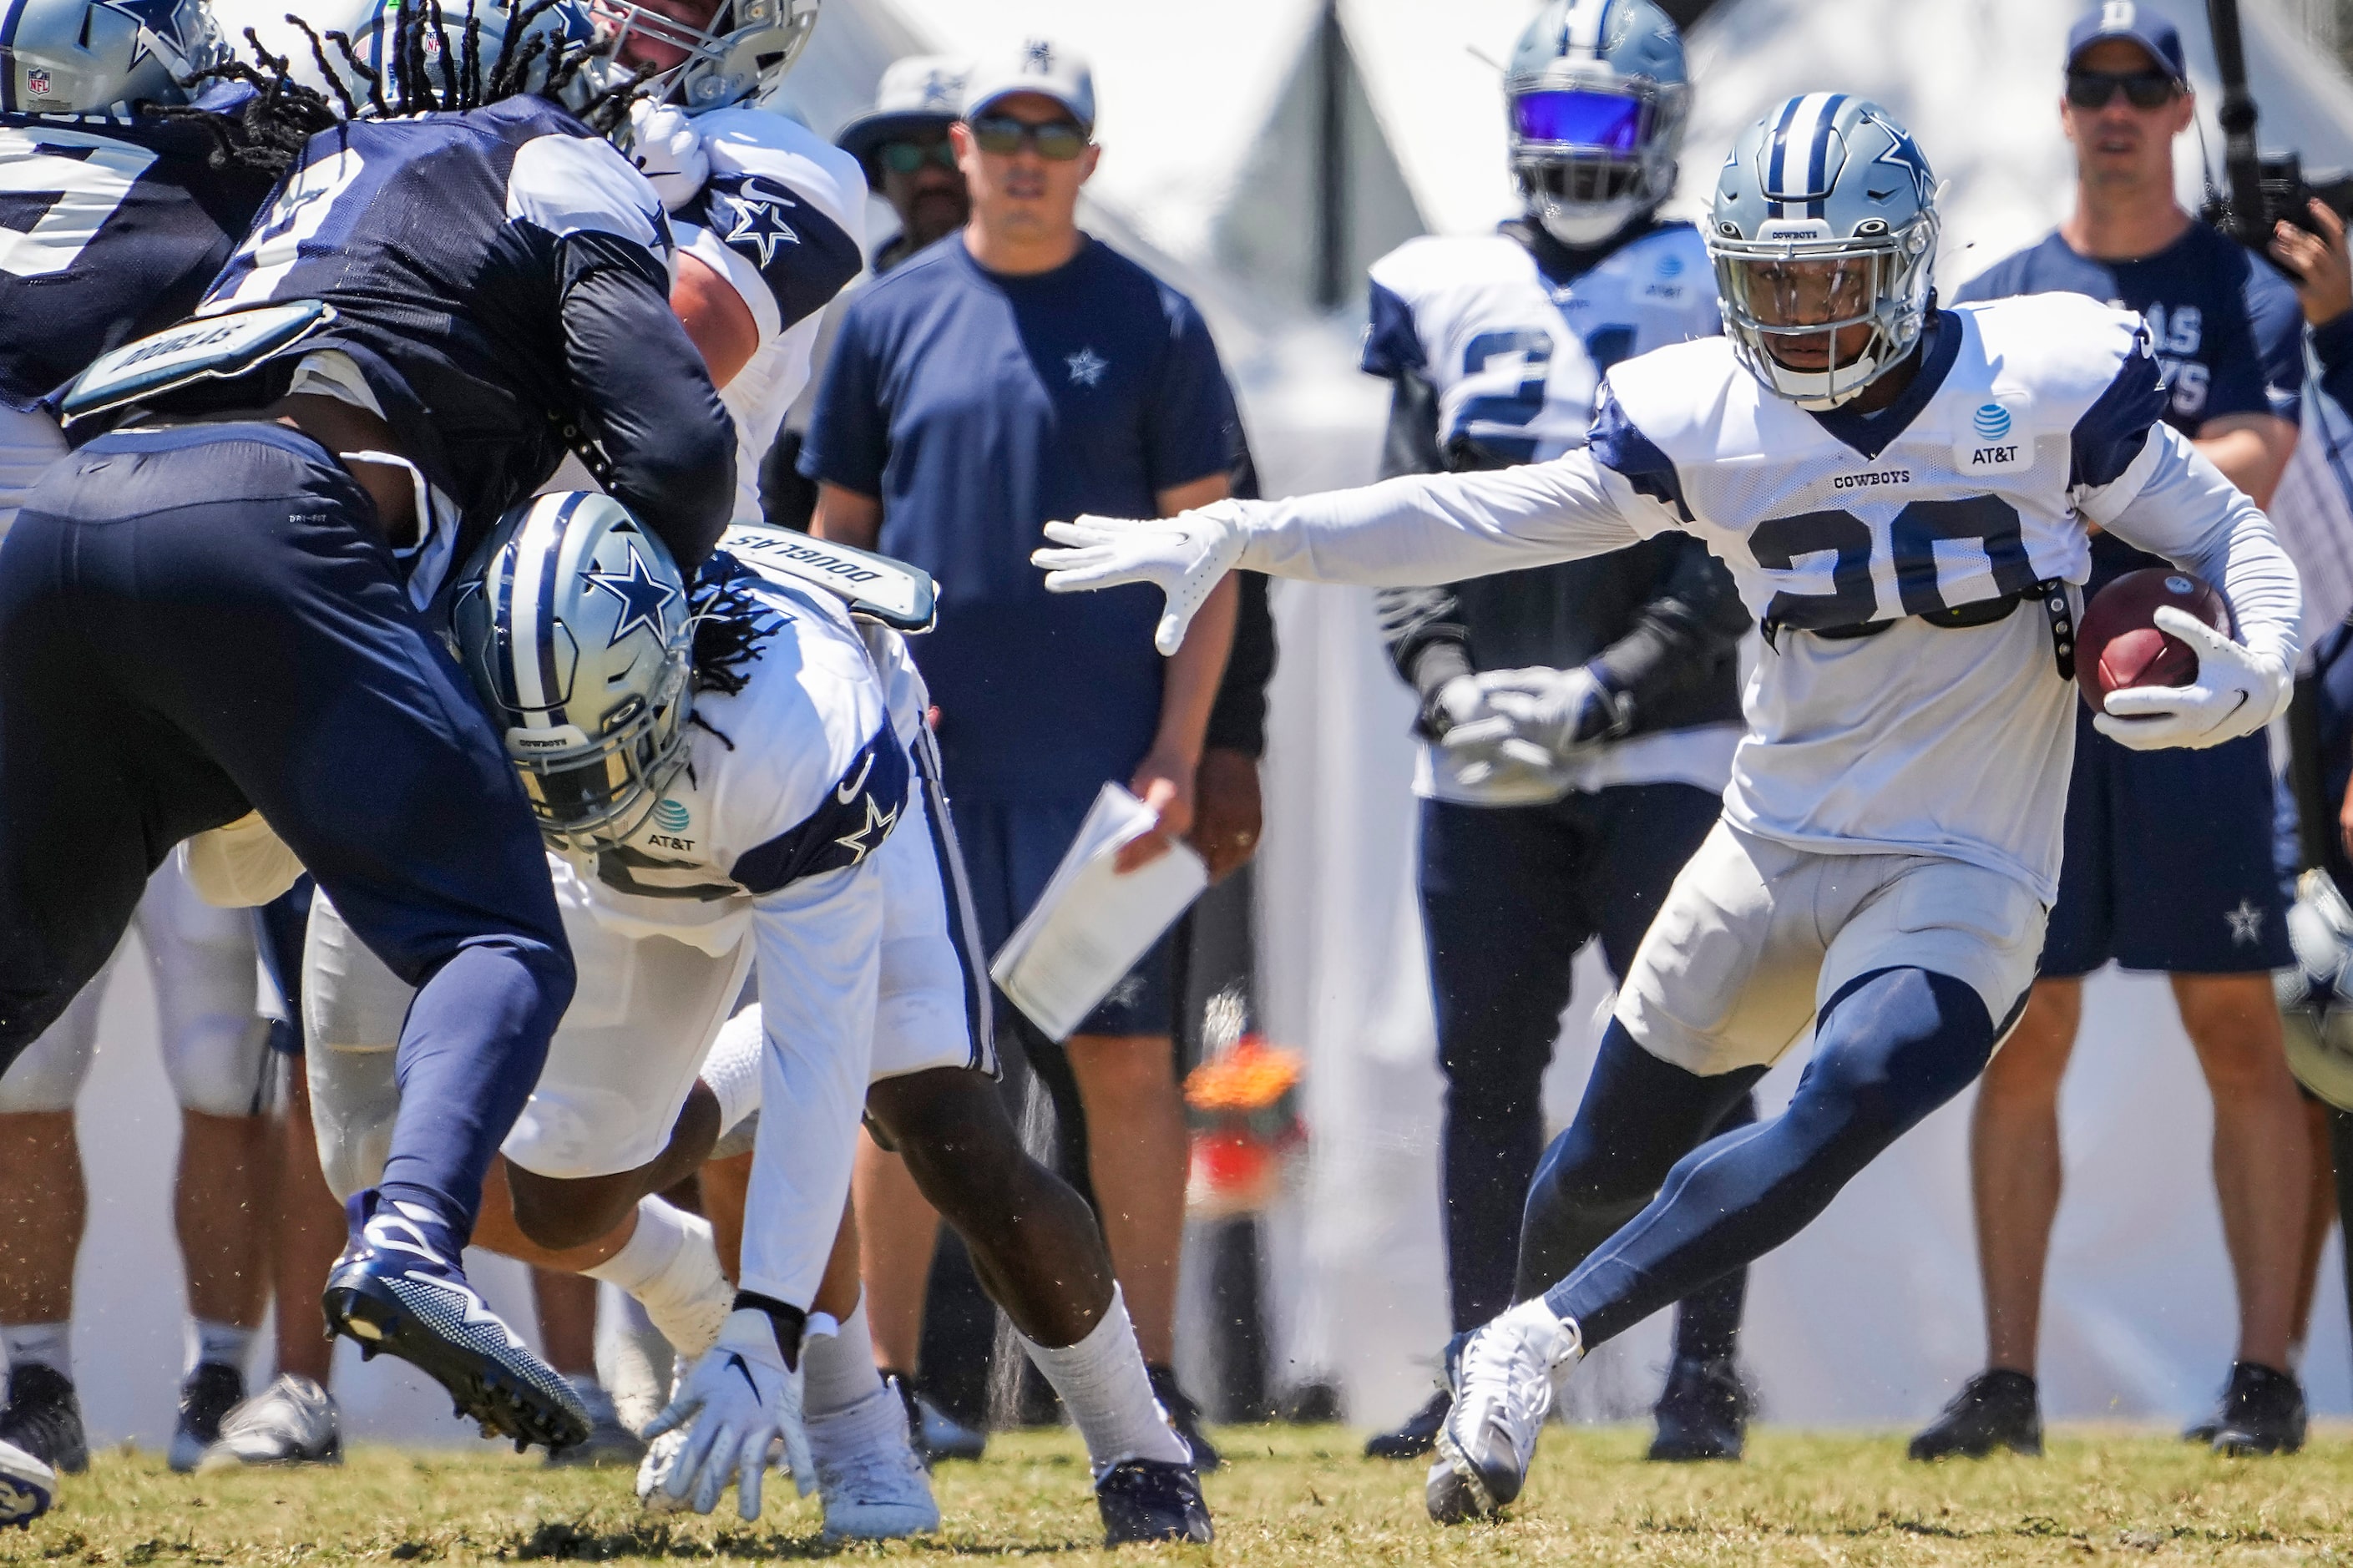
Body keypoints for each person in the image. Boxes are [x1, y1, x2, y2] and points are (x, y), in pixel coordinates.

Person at [1033, 92, 2303, 1525]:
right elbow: (1479, 509)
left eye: (1833, 274)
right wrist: (1248, 533)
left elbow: (2232, 536)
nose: (1805, 310)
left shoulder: (2049, 376)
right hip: (1768, 847)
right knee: (1594, 1168)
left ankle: (1530, 1338)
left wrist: (2250, 679)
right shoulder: (1705, 409)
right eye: (1772, 276)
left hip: (1963, 855)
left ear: (1908, 263)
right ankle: (1498, 1379)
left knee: (1862, 1088)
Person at [0, 11, 740, 1452]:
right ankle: (408, 1240)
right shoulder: (558, 157)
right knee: (497, 933)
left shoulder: (319, 163)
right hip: (269, 529)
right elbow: (676, 446)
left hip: (69, 527)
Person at [802, 38, 1241, 1468]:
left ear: (1091, 161)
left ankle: (1152, 1380)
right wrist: (839, 719)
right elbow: (834, 546)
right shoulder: (885, 318)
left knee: (1124, 1067)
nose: (1028, 157)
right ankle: (890, 1385)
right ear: (967, 147)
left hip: (1102, 773)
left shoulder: (1158, 319)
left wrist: (1184, 749)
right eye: (1004, 131)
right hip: (921, 778)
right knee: (906, 1076)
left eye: (1056, 135)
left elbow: (1215, 558)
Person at [1354, 0, 1755, 1466]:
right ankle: (1478, 1364)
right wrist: (1447, 679)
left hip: (1662, 747)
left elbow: (1741, 523)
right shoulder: (1440, 280)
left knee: (1702, 1057)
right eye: (1553, 117)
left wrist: (1620, 682)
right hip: (1479, 752)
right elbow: (1398, 522)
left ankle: (1700, 1383)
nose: (1572, 152)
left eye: (1601, 120)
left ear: (1657, 124)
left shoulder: (1719, 281)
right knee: (1486, 1074)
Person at [1918, 5, 2313, 1460]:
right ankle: (2006, 1379)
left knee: (2233, 1023)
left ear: (2182, 109)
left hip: (2200, 705)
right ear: (2063, 105)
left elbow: (2256, 459)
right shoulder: (2014, 292)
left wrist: (2076, 479)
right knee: (2024, 1031)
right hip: (2038, 709)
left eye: (2142, 86)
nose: (2115, 110)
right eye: (2092, 86)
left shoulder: (2238, 286)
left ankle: (2263, 1375)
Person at [0, 0, 300, 1479]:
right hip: (180, 684)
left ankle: (59, 1382)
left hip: (63, 694)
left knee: (60, 1066)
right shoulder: (220, 188)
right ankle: (196, 1382)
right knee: (210, 1054)